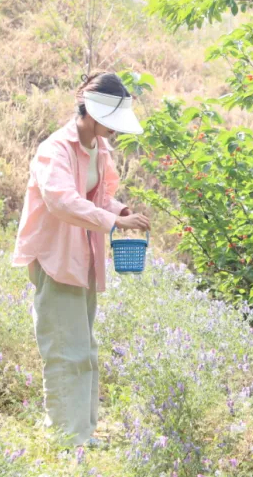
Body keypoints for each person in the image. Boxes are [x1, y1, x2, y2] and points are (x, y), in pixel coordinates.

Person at [10, 71, 152, 447]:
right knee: (63, 349)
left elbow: (98, 198)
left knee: (85, 348)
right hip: (56, 256)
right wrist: (111, 222)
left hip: (84, 256)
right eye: (111, 121)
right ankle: (64, 436)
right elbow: (61, 200)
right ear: (90, 112)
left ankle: (82, 433)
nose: (115, 131)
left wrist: (119, 213)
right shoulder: (54, 150)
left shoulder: (99, 150)